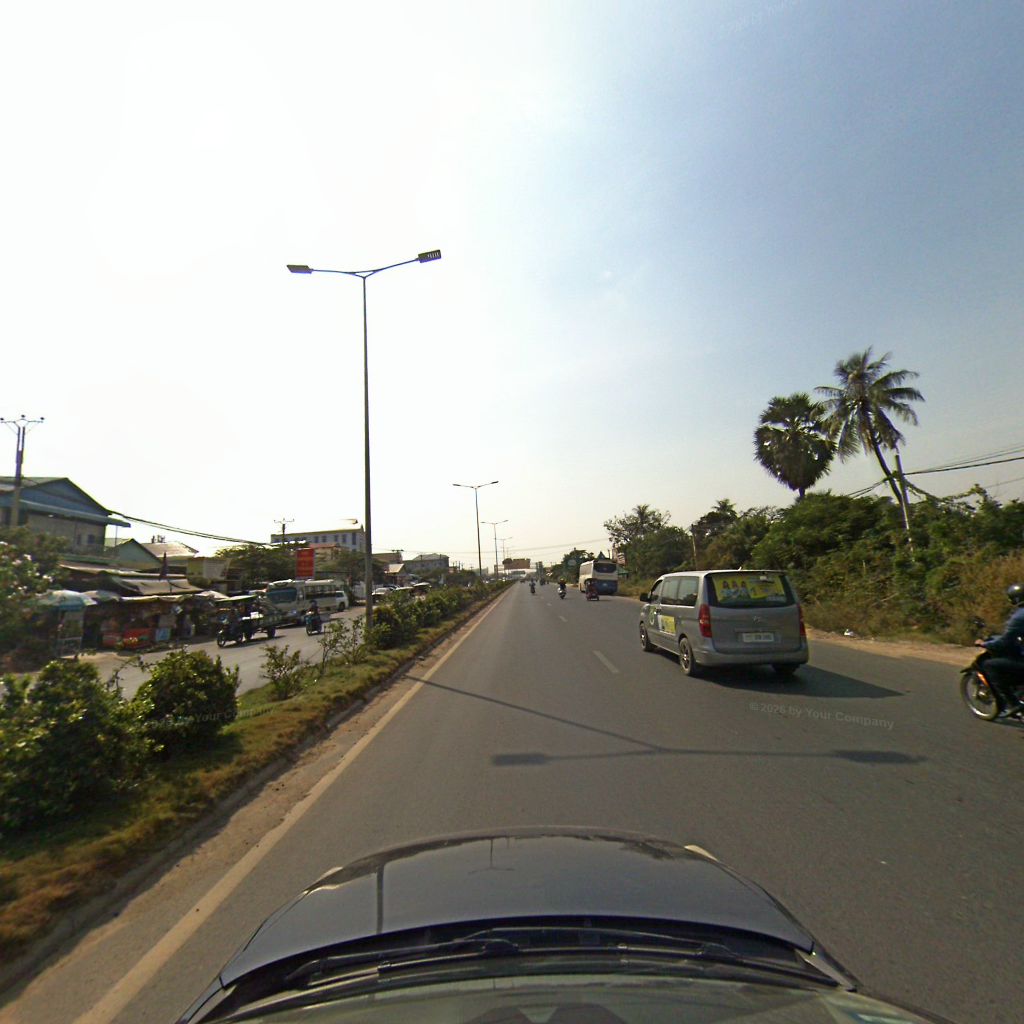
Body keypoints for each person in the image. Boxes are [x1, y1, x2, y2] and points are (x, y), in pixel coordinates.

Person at [974, 583, 1024, 702]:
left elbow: (1005, 641)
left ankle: (1011, 702)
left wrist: (985, 644)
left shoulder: (1019, 617)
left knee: (989, 665)